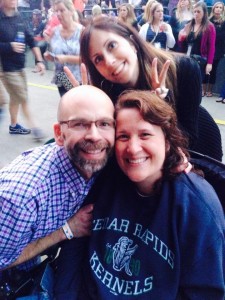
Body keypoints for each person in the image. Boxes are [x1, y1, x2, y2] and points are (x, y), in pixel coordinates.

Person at [77, 90, 225, 299]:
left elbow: (204, 292)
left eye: (145, 134)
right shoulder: (105, 179)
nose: (133, 148)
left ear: (166, 140)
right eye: (123, 136)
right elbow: (75, 251)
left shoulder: (197, 206)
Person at [0, 85, 115, 296]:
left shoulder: (100, 160)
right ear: (58, 134)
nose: (94, 136)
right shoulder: (23, 196)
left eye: (104, 123)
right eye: (80, 124)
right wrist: (66, 230)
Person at [67, 16, 222, 160]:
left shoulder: (184, 69)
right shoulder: (108, 94)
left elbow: (188, 138)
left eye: (112, 46)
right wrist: (88, 111)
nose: (109, 61)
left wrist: (161, 106)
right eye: (98, 59)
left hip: (199, 148)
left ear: (133, 43)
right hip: (153, 159)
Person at [0, 0, 46, 139]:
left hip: (20, 67)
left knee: (15, 98)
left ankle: (14, 126)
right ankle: (35, 128)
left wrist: (39, 60)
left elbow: (31, 40)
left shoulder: (19, 17)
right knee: (22, 97)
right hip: (6, 68)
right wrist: (10, 46)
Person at [44, 0, 83, 97]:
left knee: (78, 106)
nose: (58, 14)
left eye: (62, 10)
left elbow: (87, 59)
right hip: (62, 76)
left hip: (78, 77)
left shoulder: (81, 32)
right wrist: (50, 56)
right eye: (56, 11)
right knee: (68, 106)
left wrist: (66, 58)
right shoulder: (55, 31)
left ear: (71, 11)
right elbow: (53, 53)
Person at [178, 1, 216, 85]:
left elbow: (211, 47)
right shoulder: (189, 24)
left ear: (204, 13)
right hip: (187, 59)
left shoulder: (209, 26)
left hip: (200, 61)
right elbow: (182, 45)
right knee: (184, 84)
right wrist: (180, 39)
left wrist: (209, 63)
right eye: (194, 11)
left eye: (198, 11)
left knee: (195, 85)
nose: (196, 14)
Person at [202, 2, 225, 97]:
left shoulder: (224, 22)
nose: (218, 9)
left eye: (220, 7)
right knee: (204, 69)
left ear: (223, 10)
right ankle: (203, 89)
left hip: (219, 49)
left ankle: (210, 90)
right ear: (213, 9)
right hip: (207, 49)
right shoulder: (208, 21)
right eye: (217, 7)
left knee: (213, 70)